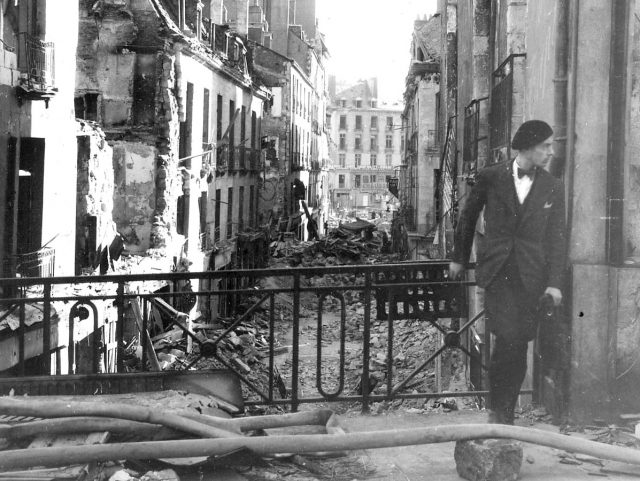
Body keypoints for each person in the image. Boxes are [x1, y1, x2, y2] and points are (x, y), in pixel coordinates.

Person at [449, 120, 566, 425]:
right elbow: (467, 216)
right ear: (527, 146)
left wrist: (554, 284)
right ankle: (501, 412)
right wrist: (459, 258)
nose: (551, 152)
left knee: (518, 341)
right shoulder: (491, 176)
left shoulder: (553, 186)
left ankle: (502, 410)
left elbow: (557, 239)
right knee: (507, 338)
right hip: (499, 272)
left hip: (531, 277)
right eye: (545, 146)